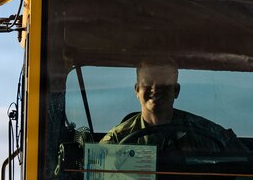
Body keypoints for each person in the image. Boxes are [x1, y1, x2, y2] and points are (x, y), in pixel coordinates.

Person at [100, 60, 242, 151]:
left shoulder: (206, 133)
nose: (155, 89)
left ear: (176, 90)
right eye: (148, 82)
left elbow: (247, 164)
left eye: (163, 83)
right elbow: (95, 178)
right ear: (137, 90)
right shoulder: (117, 140)